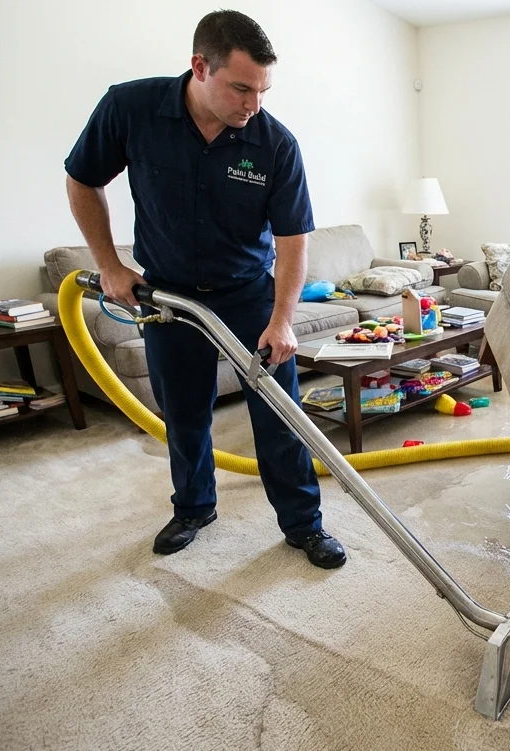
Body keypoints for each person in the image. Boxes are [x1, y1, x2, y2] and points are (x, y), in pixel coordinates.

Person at [64, 10, 345, 568]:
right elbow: (82, 178)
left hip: (246, 295)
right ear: (200, 67)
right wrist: (110, 266)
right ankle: (194, 507)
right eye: (242, 87)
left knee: (278, 412)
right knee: (184, 411)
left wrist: (282, 319)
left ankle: (303, 524)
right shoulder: (131, 108)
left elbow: (293, 240)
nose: (253, 104)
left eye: (263, 90)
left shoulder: (274, 145)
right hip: (167, 295)